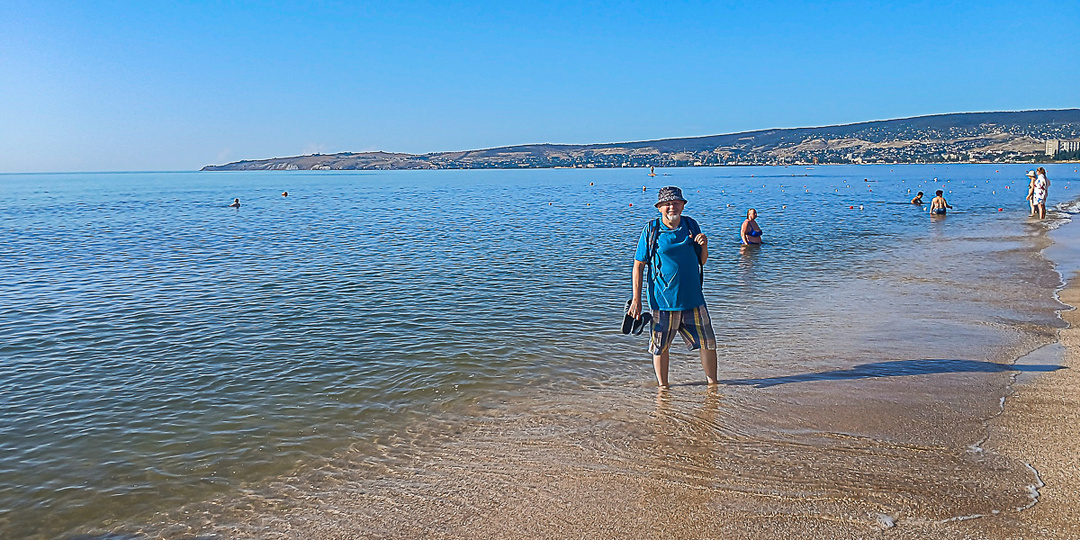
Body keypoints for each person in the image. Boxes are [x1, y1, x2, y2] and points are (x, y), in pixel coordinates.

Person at [629, 186, 717, 388]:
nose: (672, 207)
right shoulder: (651, 230)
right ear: (659, 207)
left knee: (708, 343)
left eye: (676, 203)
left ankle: (713, 385)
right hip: (662, 301)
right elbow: (638, 266)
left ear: (683, 205)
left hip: (693, 298)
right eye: (667, 204)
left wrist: (704, 245)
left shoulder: (691, 225)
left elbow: (701, 262)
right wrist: (636, 300)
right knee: (660, 347)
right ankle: (663, 388)